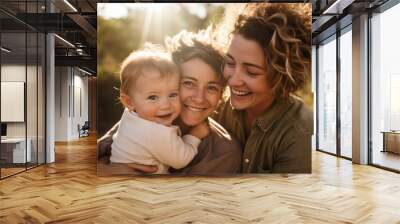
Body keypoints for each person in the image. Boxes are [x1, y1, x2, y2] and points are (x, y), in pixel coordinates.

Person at [97, 30, 242, 175]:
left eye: (211, 88)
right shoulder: (142, 115)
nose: (199, 98)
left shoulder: (224, 153)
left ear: (220, 94)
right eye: (189, 83)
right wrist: (104, 170)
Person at [212, 3, 313, 173]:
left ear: (282, 77)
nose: (234, 81)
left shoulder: (299, 133)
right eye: (230, 63)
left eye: (251, 72)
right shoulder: (217, 107)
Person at [109, 46, 209, 174]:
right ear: (129, 102)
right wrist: (194, 136)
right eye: (153, 97)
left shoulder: (131, 116)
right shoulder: (155, 133)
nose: (166, 105)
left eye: (173, 94)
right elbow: (181, 160)